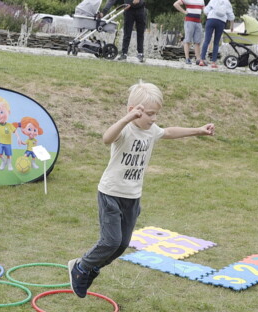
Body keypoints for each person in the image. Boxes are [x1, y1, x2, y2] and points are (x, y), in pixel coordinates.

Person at [67, 80, 215, 298]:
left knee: (122, 245)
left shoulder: (151, 130)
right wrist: (126, 119)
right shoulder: (125, 130)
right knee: (110, 241)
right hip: (111, 194)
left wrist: (198, 131)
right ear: (134, 111)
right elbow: (106, 138)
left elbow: (169, 132)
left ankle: (91, 267)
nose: (154, 119)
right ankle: (80, 267)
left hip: (132, 197)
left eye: (156, 114)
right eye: (150, 114)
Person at [173, 0, 204, 65]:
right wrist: (184, 12)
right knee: (187, 40)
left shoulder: (201, 0)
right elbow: (176, 4)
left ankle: (198, 59)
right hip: (189, 21)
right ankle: (187, 58)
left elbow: (204, 9)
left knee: (197, 42)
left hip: (198, 22)